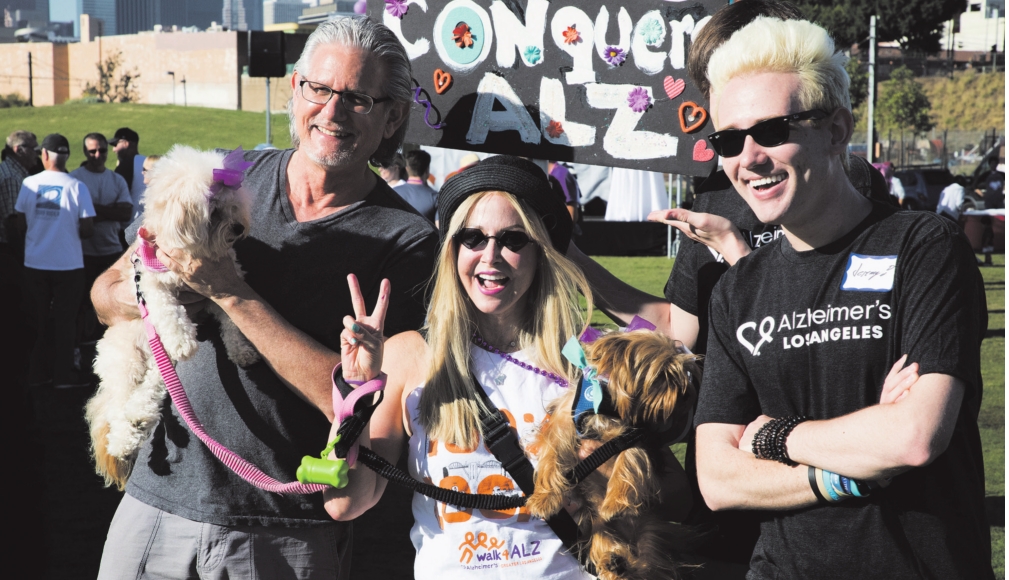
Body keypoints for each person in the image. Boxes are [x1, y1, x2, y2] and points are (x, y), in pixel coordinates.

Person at [91, 15, 438, 578]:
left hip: (284, 528)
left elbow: (362, 406)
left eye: (357, 98)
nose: (332, 112)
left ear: (393, 116)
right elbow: (105, 293)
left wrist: (231, 294)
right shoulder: (224, 177)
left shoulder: (407, 242)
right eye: (318, 88)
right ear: (295, 88)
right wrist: (169, 291)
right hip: (156, 501)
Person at [565, 0, 894, 568]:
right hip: (730, 459)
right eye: (716, 90)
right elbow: (677, 329)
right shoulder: (719, 191)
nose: (747, 147)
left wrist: (739, 256)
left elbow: (846, 322)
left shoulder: (841, 180)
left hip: (838, 473)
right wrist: (572, 262)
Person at [693, 16, 991, 579]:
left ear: (835, 131)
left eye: (771, 131)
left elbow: (913, 437)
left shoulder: (924, 247)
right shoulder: (736, 290)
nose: (748, 158)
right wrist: (848, 470)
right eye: (728, 140)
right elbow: (717, 478)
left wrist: (774, 436)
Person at [324, 155, 689, 578]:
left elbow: (678, 496)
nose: (491, 256)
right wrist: (356, 388)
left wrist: (610, 473)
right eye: (473, 238)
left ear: (541, 252)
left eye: (513, 239)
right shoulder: (410, 356)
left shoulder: (587, 357)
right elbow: (345, 502)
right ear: (452, 250)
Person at [13, 133, 96, 389]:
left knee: (36, 320)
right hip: (68, 264)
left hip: (35, 263)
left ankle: (37, 373)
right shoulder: (77, 187)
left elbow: (19, 223)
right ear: (66, 156)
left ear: (45, 154)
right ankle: (63, 376)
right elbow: (87, 229)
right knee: (65, 322)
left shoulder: (29, 183)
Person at [71, 133, 133, 343]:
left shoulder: (116, 180)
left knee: (112, 303)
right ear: (85, 152)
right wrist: (109, 210)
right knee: (82, 303)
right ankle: (81, 346)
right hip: (83, 253)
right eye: (92, 151)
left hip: (111, 252)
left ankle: (109, 343)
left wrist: (90, 210)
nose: (98, 155)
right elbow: (72, 215)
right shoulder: (75, 178)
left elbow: (125, 213)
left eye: (102, 150)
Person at [0, 130, 39, 259]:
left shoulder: (14, 172)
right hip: (8, 251)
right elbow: (12, 223)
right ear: (19, 150)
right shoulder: (12, 177)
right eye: (34, 149)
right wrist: (22, 258)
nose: (38, 154)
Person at [110, 127, 146, 221]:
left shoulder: (125, 166)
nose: (114, 149)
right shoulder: (147, 161)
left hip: (131, 223)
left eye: (115, 144)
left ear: (125, 143)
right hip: (148, 221)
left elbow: (115, 198)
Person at [393, 149, 437, 222]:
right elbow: (439, 227)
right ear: (427, 170)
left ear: (407, 169)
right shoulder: (435, 197)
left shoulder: (393, 192)